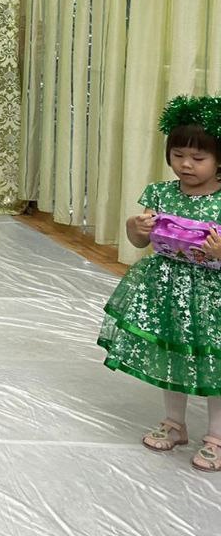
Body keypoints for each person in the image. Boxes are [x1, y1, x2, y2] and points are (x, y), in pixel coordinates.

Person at [99, 95, 221, 472]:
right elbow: (140, 242)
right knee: (172, 356)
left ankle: (216, 436)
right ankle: (174, 422)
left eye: (198, 158)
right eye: (178, 155)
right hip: (168, 289)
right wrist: (134, 228)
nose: (186, 164)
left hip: (212, 298)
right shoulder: (160, 194)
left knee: (215, 362)